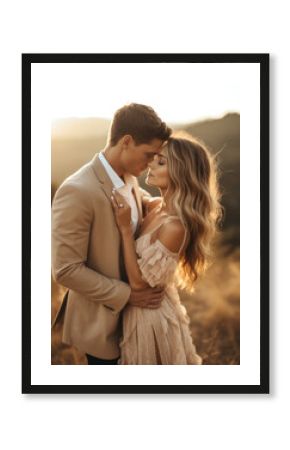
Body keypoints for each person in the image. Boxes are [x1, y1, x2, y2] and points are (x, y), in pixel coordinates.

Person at [51, 103, 172, 365]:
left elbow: (138, 202)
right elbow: (65, 269)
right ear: (126, 141)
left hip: (135, 324)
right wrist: (129, 294)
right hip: (102, 327)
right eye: (149, 154)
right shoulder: (77, 191)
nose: (151, 162)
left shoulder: (128, 177)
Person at [111, 132, 222, 364]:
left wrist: (123, 229)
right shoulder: (154, 206)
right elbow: (133, 191)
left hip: (150, 319)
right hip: (134, 311)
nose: (151, 163)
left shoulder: (175, 226)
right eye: (154, 158)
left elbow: (139, 284)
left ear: (181, 173)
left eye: (161, 162)